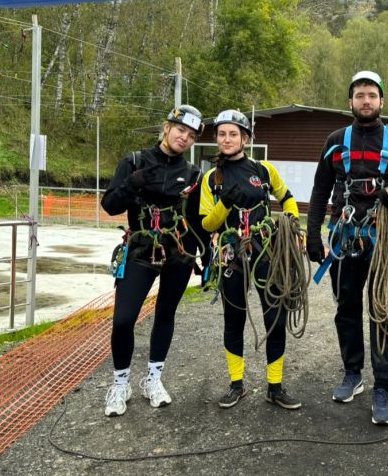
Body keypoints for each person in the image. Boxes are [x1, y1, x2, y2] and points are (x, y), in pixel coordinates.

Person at [307, 70, 388, 425]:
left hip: (383, 241)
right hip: (344, 238)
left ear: (381, 101)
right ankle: (352, 373)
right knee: (346, 308)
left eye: (372, 95)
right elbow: (320, 190)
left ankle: (382, 388)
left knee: (384, 309)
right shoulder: (335, 141)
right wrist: (313, 236)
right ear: (351, 102)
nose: (366, 100)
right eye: (360, 95)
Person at [100, 104, 209, 417]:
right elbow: (110, 205)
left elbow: (198, 221)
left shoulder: (194, 174)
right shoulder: (134, 161)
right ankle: (120, 384)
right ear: (167, 128)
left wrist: (206, 255)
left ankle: (153, 379)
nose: (184, 138)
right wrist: (131, 184)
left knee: (165, 315)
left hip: (179, 254)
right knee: (123, 320)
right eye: (180, 130)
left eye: (191, 135)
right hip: (140, 252)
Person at [200, 109, 302, 411]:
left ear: (245, 138)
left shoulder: (264, 170)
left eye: (233, 134)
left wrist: (292, 224)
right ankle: (236, 385)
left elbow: (287, 198)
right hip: (232, 255)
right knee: (234, 320)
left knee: (275, 319)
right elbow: (207, 223)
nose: (227, 139)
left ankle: (275, 387)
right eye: (222, 134)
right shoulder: (211, 178)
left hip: (266, 252)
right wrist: (225, 203)